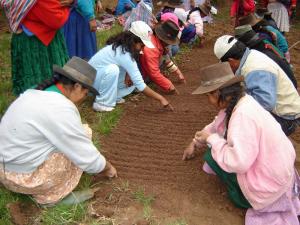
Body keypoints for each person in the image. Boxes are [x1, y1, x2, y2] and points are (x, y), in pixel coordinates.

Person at [182, 62, 300, 225]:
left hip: (269, 186)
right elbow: (218, 124)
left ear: (217, 93)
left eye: (208, 95)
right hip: (281, 172)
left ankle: (244, 197)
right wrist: (195, 141)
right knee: (215, 146)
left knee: (212, 156)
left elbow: (238, 163)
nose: (208, 100)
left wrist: (211, 139)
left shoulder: (242, 116)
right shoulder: (243, 102)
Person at [0, 57, 117, 205]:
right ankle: (53, 197)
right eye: (85, 93)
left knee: (82, 131)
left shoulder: (36, 92)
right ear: (76, 86)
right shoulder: (60, 108)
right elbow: (83, 153)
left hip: (5, 169)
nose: (83, 98)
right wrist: (107, 168)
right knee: (80, 142)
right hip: (22, 178)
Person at [213, 35, 300, 136]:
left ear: (231, 61)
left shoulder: (256, 69)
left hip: (285, 118)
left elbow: (265, 104)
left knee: (240, 132)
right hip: (281, 111)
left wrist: (235, 107)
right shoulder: (251, 55)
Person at [89, 21, 173, 112]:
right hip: (91, 82)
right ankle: (102, 103)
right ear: (133, 40)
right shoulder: (124, 54)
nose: (143, 48)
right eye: (142, 45)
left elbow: (135, 77)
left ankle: (113, 97)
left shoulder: (123, 47)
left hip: (98, 77)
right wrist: (161, 98)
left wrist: (127, 73)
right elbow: (140, 85)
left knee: (131, 83)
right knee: (113, 70)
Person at [0, 0, 72, 96]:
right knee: (38, 78)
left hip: (34, 35)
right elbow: (56, 19)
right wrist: (66, 8)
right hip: (36, 41)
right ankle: (41, 100)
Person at [140, 20, 186, 93]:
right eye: (168, 42)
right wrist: (169, 86)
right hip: (138, 75)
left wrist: (178, 73)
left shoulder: (156, 40)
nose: (169, 44)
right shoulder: (151, 48)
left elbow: (166, 58)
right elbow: (154, 73)